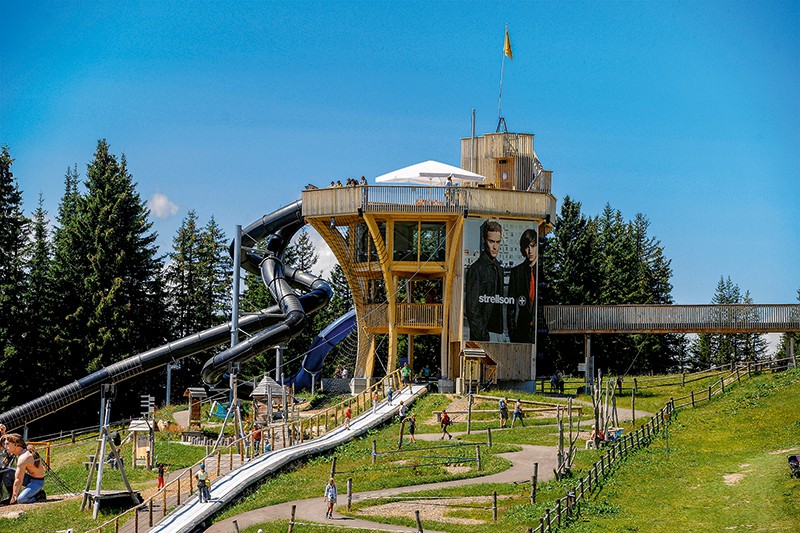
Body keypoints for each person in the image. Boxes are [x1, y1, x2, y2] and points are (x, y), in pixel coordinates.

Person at [464, 220, 505, 341]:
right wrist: (483, 335)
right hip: (483, 335)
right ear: (484, 240)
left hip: (498, 333)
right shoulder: (476, 269)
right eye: (491, 241)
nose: (495, 247)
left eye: (498, 242)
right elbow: (472, 309)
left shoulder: (499, 269)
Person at [507, 228, 538, 343]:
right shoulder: (517, 272)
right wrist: (512, 333)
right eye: (527, 247)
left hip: (539, 330)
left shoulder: (544, 270)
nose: (530, 251)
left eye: (533, 246)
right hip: (521, 331)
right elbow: (511, 306)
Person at [1, 433, 46, 504]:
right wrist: (3, 432)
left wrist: (15, 495)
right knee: (8, 473)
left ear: (15, 444)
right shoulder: (20, 450)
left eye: (7, 444)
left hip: (37, 481)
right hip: (29, 478)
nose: (5, 446)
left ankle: (39, 495)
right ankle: (10, 496)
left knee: (21, 499)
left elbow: (18, 479)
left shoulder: (24, 457)